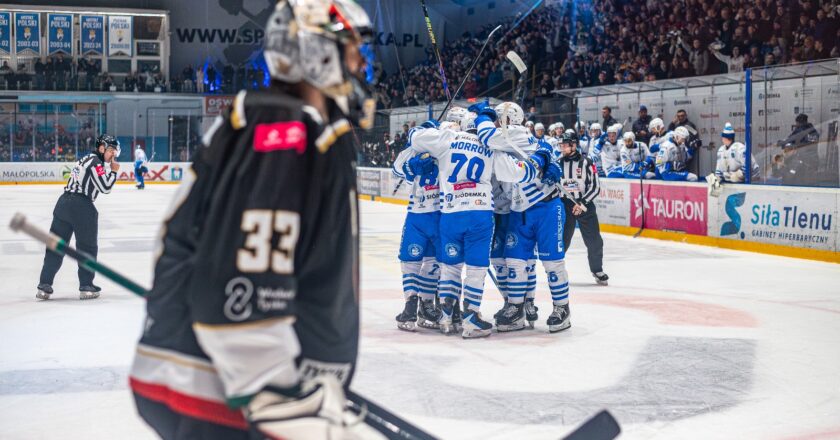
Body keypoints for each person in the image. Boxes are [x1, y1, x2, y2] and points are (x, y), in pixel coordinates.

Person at [129, 1, 379, 438]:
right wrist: (277, 394)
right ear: (315, 50)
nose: (360, 63)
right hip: (222, 394)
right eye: (351, 48)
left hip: (217, 380)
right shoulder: (284, 128)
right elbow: (242, 285)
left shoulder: (273, 122)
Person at [406, 104, 550, 338]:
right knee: (476, 268)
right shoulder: (490, 145)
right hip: (480, 213)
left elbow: (414, 139)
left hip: (450, 212)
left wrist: (425, 127)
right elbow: (513, 174)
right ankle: (471, 318)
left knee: (450, 267)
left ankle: (445, 317)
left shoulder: (447, 137)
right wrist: (539, 164)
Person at [478, 102, 568, 334]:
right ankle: (516, 309)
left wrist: (481, 116)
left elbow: (487, 136)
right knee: (515, 262)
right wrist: (549, 156)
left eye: (497, 118)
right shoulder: (516, 137)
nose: (496, 122)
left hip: (545, 207)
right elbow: (545, 146)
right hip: (519, 210)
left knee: (552, 263)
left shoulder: (511, 134)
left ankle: (562, 308)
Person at [36, 134, 120, 300]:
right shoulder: (96, 162)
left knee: (56, 246)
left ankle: (44, 286)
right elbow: (105, 187)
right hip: (81, 206)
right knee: (87, 248)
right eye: (111, 150)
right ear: (101, 148)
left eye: (114, 151)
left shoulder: (86, 159)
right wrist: (114, 172)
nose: (113, 155)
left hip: (63, 204)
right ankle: (86, 286)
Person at [557, 132, 608, 286]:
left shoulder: (587, 162)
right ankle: (555, 270)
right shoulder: (558, 163)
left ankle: (597, 270)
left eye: (565, 144)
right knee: (562, 240)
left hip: (584, 205)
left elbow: (595, 186)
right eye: (562, 144)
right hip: (566, 206)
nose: (562, 147)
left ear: (574, 145)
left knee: (594, 240)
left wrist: (582, 203)